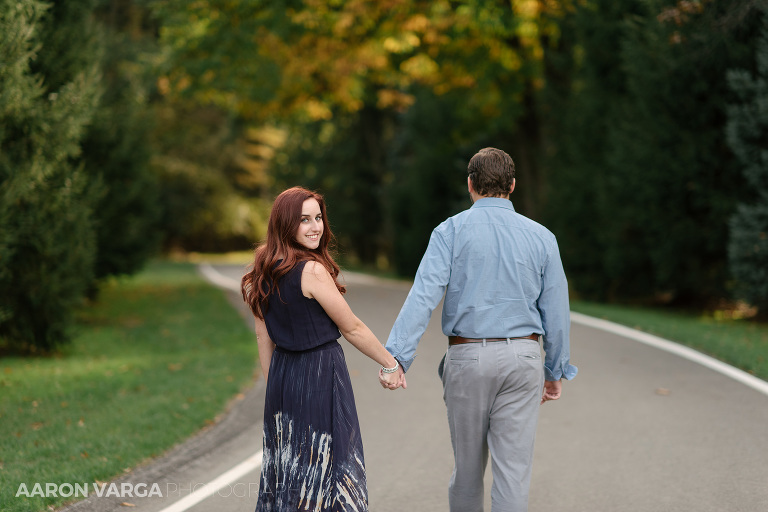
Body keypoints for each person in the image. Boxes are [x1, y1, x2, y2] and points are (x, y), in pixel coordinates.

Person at [381, 148, 577, 512]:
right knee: (514, 474)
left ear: (470, 184)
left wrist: (397, 358)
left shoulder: (450, 231)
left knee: (468, 472)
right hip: (524, 358)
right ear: (513, 186)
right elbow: (556, 311)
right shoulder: (542, 237)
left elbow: (423, 296)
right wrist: (555, 371)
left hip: (467, 357)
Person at [241, 186, 404, 512]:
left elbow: (264, 339)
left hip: (283, 378)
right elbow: (352, 327)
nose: (315, 226)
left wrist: (277, 387)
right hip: (320, 375)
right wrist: (390, 363)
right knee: (325, 469)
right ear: (286, 224)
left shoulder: (261, 271)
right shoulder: (311, 271)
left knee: (290, 469)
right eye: (304, 220)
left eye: (318, 218)